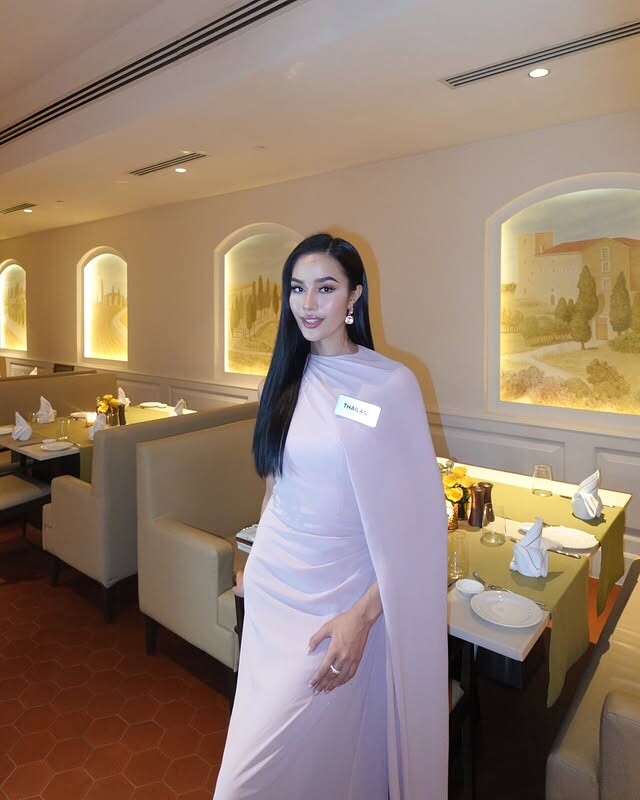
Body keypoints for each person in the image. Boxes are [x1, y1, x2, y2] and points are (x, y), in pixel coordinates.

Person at [213, 233, 448, 800]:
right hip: (273, 597)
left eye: (325, 288)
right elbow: (276, 482)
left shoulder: (389, 385)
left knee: (303, 765)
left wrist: (362, 618)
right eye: (297, 289)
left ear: (354, 297)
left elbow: (421, 525)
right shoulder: (284, 379)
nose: (308, 304)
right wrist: (253, 560)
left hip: (338, 603)